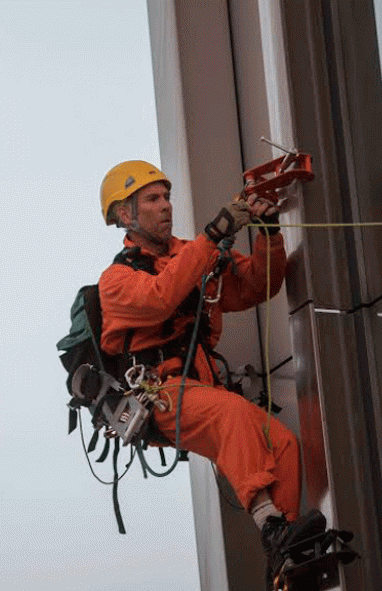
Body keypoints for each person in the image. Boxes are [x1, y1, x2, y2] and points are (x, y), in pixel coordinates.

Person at [95, 160, 324, 586]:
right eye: (153, 199)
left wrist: (269, 231)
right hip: (158, 395)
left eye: (166, 197)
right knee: (231, 414)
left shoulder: (192, 255)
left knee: (284, 444)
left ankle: (288, 561)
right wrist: (214, 235)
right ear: (126, 215)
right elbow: (160, 299)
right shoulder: (116, 280)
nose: (165, 206)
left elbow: (258, 285)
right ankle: (273, 530)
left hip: (197, 391)